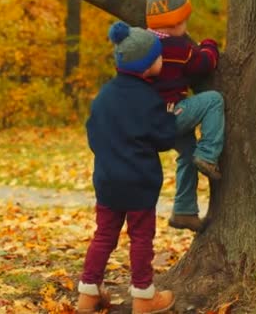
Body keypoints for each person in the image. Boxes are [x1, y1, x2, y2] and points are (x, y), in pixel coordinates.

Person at [76, 21, 176, 314]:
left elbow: (93, 133)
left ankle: (88, 294)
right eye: (158, 57)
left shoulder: (104, 95)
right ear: (145, 66)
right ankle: (144, 297)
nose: (162, 60)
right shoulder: (149, 99)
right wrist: (170, 114)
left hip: (107, 180)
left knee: (104, 236)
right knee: (141, 238)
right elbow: (164, 139)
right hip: (139, 183)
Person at [146, 0, 224, 232]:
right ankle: (209, 153)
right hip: (173, 113)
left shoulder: (145, 45)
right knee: (213, 100)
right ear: (175, 22)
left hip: (154, 120)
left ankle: (184, 211)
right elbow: (204, 64)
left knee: (186, 157)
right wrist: (209, 45)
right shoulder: (178, 47)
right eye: (184, 22)